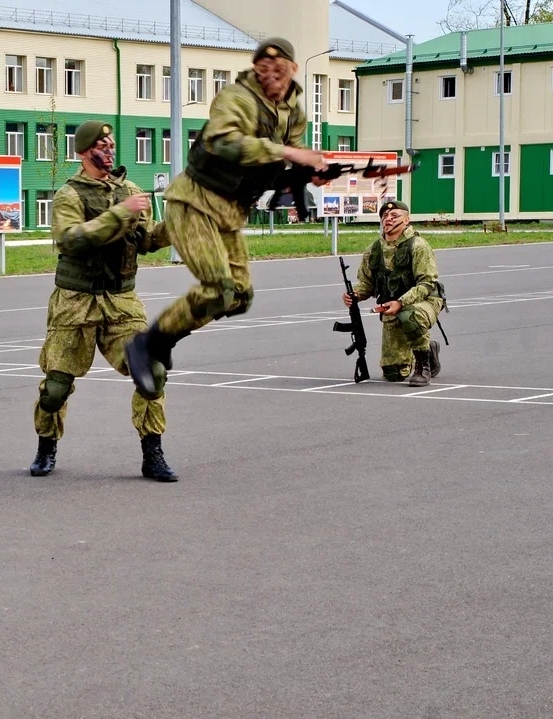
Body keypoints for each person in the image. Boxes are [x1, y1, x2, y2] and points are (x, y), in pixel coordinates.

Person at [125, 38, 329, 396]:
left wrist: (310, 170)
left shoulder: (295, 111)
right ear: (255, 69)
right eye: (263, 70)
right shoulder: (236, 98)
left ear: (293, 70)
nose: (271, 77)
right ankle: (147, 343)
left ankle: (165, 339)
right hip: (194, 201)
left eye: (278, 70)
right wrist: (286, 152)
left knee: (239, 296)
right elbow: (222, 142)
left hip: (229, 211)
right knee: (218, 288)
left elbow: (290, 157)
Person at [28, 120, 176, 482]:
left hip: (121, 301)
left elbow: (147, 240)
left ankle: (152, 452)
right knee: (56, 387)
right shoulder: (70, 194)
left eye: (111, 144)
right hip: (75, 300)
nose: (109, 149)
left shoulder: (130, 189)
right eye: (102, 144)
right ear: (83, 152)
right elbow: (71, 239)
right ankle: (46, 446)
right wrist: (121, 212)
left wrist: (182, 221)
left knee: (152, 374)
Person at [343, 199, 445, 386]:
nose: (388, 219)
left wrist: (401, 302)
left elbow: (427, 283)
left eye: (394, 216)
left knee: (409, 316)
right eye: (384, 216)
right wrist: (355, 295)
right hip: (392, 306)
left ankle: (423, 365)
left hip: (426, 301)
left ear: (406, 221)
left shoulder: (418, 245)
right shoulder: (374, 250)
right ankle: (429, 348)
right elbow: (366, 284)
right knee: (393, 373)